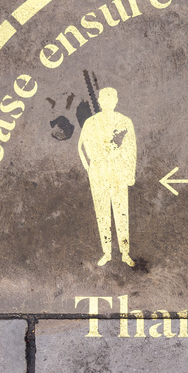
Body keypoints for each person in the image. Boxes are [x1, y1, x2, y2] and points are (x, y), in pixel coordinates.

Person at [78, 87, 137, 267]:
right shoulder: (91, 122)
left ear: (116, 101)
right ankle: (107, 253)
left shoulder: (124, 121)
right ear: (100, 101)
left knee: (121, 212)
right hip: (99, 174)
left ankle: (125, 253)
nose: (108, 102)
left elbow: (131, 149)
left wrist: (130, 173)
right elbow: (81, 146)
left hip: (118, 173)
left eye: (112, 99)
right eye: (105, 99)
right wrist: (89, 168)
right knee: (102, 213)